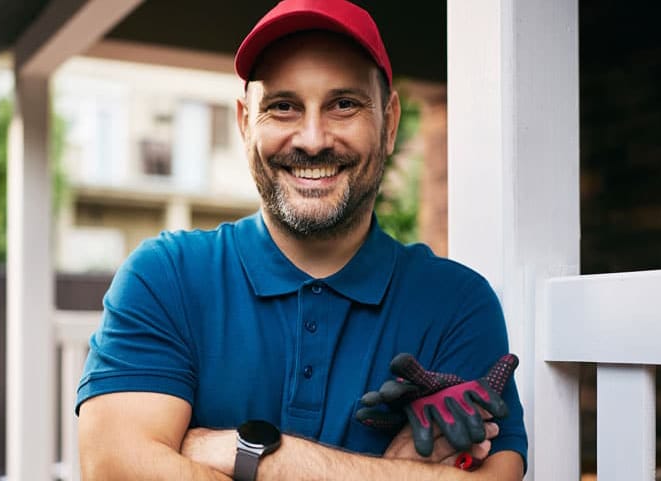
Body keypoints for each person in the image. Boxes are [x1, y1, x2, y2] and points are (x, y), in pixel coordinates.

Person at [76, 0, 527, 479]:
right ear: (245, 122)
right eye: (283, 107)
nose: (312, 139)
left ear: (390, 124)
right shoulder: (165, 277)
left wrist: (257, 457)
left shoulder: (456, 302)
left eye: (344, 104)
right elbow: (113, 467)